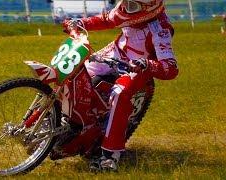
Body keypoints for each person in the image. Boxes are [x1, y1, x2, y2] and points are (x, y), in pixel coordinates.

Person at [62, 0, 179, 171]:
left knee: (119, 93)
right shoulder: (128, 8)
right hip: (115, 52)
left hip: (138, 66)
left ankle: (110, 156)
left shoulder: (160, 29)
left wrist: (148, 64)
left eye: (132, 5)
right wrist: (80, 23)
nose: (125, 8)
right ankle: (72, 119)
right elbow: (108, 19)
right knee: (77, 70)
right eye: (125, 2)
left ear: (149, 7)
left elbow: (171, 67)